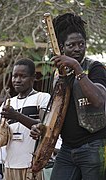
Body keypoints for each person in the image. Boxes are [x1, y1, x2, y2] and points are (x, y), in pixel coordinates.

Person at [30, 13, 106, 180]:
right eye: (72, 45)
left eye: (81, 44)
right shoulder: (58, 76)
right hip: (67, 149)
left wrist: (78, 69)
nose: (78, 49)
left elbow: (99, 100)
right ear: (62, 48)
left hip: (94, 147)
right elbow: (56, 112)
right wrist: (41, 128)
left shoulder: (95, 68)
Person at [0, 58, 50, 180]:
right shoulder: (7, 104)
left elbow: (45, 127)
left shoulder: (42, 98)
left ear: (33, 78)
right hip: (10, 165)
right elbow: (2, 135)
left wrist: (16, 115)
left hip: (33, 165)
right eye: (14, 76)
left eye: (23, 76)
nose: (17, 80)